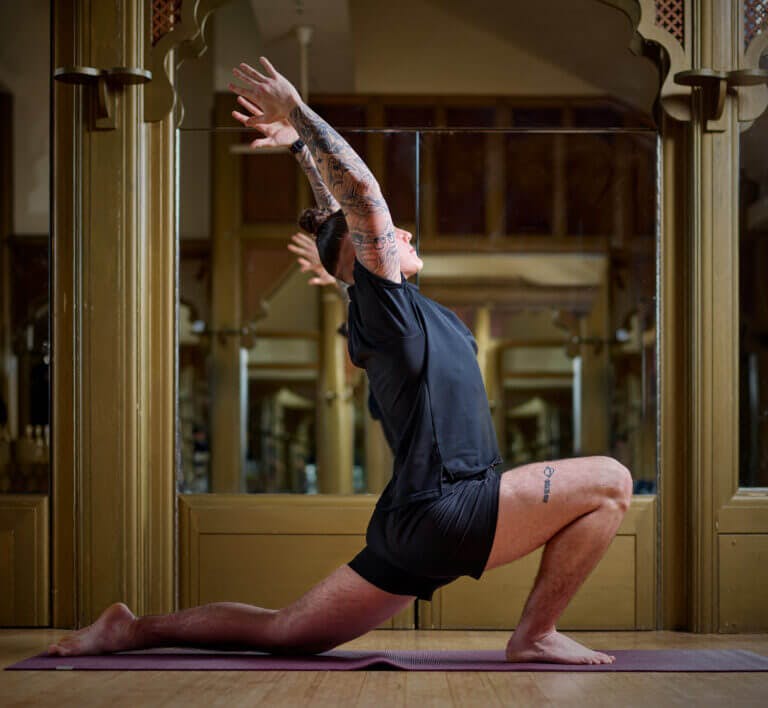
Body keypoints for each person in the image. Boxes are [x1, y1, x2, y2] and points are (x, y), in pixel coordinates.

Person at [48, 57, 632, 665]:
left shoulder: (379, 309)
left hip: (412, 521)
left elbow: (343, 219)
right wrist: (297, 111)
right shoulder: (387, 307)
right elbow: (362, 201)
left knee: (284, 631)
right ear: (366, 252)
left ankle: (131, 630)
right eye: (391, 235)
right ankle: (535, 634)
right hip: (451, 504)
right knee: (611, 480)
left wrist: (301, 148)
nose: (405, 235)